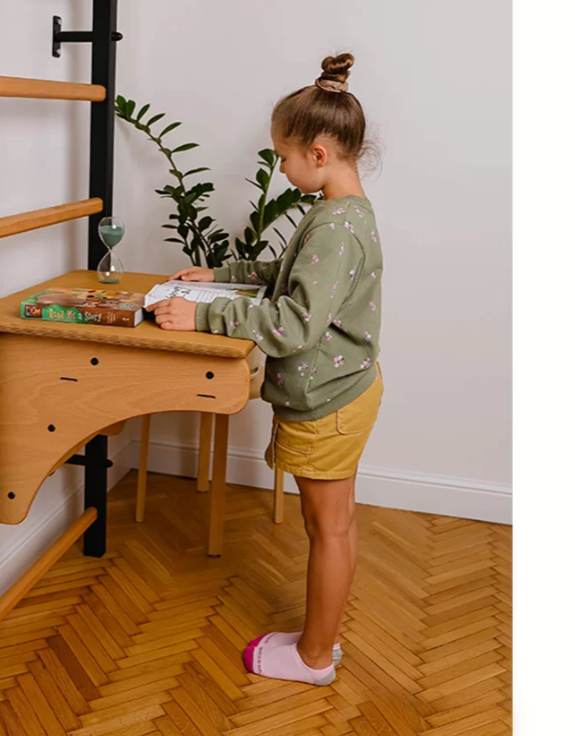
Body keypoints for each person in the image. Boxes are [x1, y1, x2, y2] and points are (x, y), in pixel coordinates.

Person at [145, 53, 384, 686]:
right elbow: (288, 279)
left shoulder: (336, 226)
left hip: (328, 403)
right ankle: (321, 640)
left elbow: (295, 323)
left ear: (320, 152)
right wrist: (221, 276)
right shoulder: (340, 214)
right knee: (334, 524)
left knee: (328, 528)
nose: (279, 168)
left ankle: (312, 657)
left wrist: (203, 317)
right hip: (342, 391)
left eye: (283, 155)